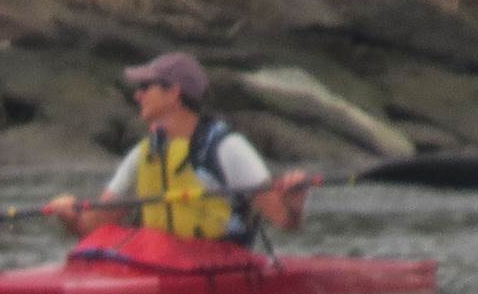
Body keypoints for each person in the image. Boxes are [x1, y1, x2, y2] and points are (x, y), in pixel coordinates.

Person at [44, 52, 304, 243]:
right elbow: (93, 228)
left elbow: (284, 221)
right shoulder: (142, 154)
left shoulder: (228, 148)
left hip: (221, 264)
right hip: (157, 262)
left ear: (174, 93)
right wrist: (68, 215)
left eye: (146, 87)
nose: (137, 95)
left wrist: (294, 201)